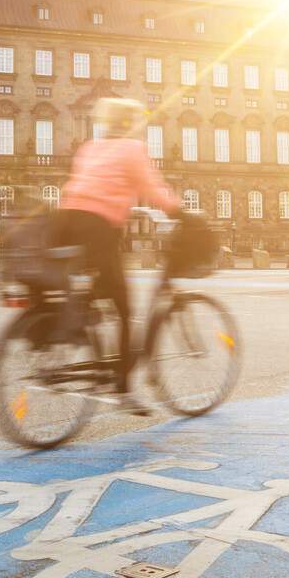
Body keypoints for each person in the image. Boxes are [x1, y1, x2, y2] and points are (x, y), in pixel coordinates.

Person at [52, 98, 182, 396]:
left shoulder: (89, 147)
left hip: (67, 222)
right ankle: (121, 384)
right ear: (129, 123)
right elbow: (152, 188)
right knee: (124, 307)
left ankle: (74, 325)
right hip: (98, 228)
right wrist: (180, 210)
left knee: (92, 291)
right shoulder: (132, 149)